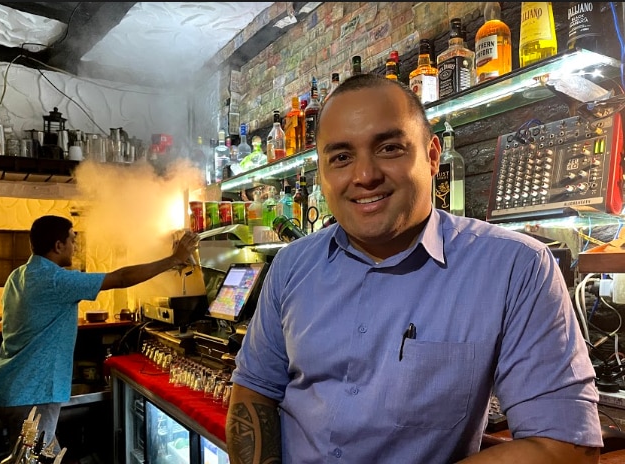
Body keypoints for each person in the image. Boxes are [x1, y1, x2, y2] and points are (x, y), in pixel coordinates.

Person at [226, 74, 603, 463]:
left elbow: (563, 446)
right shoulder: (291, 266)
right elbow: (254, 391)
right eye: (341, 157)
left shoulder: (515, 267)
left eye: (389, 148)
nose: (365, 175)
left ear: (432, 155)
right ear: (321, 174)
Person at [0, 215, 199, 454]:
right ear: (58, 246)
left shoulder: (18, 275)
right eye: (72, 239)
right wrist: (174, 259)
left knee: (37, 456)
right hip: (32, 393)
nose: (75, 246)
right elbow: (121, 278)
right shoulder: (55, 280)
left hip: (14, 387)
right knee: (37, 459)